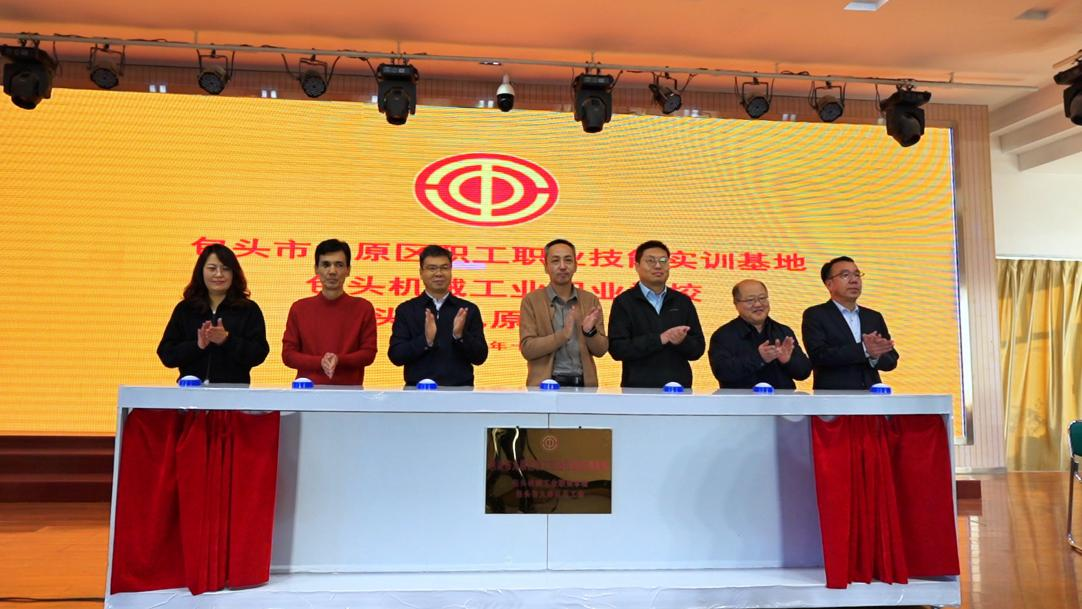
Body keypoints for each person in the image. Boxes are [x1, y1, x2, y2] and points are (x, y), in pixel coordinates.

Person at [157, 243, 269, 383]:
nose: (219, 274)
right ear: (201, 271)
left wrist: (227, 340)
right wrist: (197, 345)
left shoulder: (248, 309)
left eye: (225, 269)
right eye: (212, 268)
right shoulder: (185, 309)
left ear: (234, 273)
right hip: (190, 389)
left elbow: (258, 354)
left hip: (234, 391)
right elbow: (167, 355)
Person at [608, 240, 705, 388]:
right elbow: (618, 349)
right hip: (637, 389)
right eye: (650, 261)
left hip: (678, 388)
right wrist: (659, 339)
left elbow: (698, 349)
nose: (658, 266)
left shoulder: (682, 301)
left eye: (663, 261)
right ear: (637, 266)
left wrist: (682, 341)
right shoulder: (624, 302)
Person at [388, 244, 488, 386]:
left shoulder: (467, 310)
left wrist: (460, 336)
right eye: (432, 268)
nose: (439, 273)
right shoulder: (406, 310)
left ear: (451, 271)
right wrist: (426, 340)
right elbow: (396, 356)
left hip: (460, 391)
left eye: (444, 268)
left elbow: (480, 357)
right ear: (421, 272)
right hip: (417, 391)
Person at [282, 239, 377, 385]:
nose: (332, 271)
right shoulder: (299, 308)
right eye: (326, 265)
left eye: (339, 265)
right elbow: (288, 355)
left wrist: (340, 360)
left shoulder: (363, 308)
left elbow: (369, 353)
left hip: (351, 393)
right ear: (316, 269)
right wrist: (319, 361)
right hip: (307, 391)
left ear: (348, 270)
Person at [518, 239, 609, 387]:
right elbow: (527, 349)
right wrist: (563, 335)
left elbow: (601, 350)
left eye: (568, 260)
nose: (562, 266)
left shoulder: (589, 300)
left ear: (576, 265)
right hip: (545, 386)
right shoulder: (532, 300)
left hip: (583, 385)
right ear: (546, 267)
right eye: (555, 261)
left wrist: (589, 332)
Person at [801, 256, 899, 389]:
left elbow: (891, 361)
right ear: (829, 284)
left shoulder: (873, 317)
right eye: (845, 275)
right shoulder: (816, 315)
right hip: (833, 395)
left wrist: (875, 356)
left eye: (857, 275)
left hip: (871, 395)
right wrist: (864, 349)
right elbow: (819, 356)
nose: (854, 280)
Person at [708, 279, 811, 389]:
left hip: (781, 398)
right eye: (750, 300)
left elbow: (804, 373)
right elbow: (722, 372)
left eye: (762, 298)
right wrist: (759, 358)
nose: (758, 304)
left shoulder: (783, 331)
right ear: (736, 303)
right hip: (741, 399)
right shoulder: (723, 335)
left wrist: (788, 361)